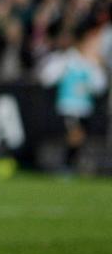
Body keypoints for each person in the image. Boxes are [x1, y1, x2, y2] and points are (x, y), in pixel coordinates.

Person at [39, 21, 108, 174]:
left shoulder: (90, 63)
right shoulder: (66, 59)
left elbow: (99, 87)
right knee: (76, 135)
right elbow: (46, 77)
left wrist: (97, 66)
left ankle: (71, 164)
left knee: (79, 138)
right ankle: (67, 165)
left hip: (85, 108)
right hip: (68, 106)